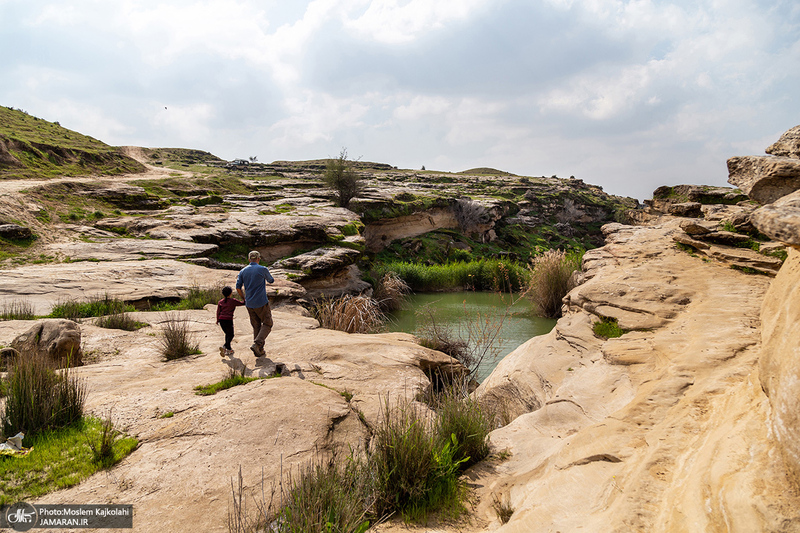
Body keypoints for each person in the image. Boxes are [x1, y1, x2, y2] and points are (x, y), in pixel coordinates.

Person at [236, 250, 275, 357]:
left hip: (249, 303)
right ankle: (257, 344)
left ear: (249, 259)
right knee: (267, 323)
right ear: (258, 259)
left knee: (256, 326)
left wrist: (244, 298)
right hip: (261, 302)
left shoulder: (243, 271)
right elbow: (271, 280)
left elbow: (238, 287)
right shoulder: (262, 269)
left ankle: (260, 350)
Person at [216, 286, 245, 357]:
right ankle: (225, 347)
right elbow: (242, 303)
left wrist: (217, 320)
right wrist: (244, 298)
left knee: (227, 334)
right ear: (231, 293)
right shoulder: (233, 301)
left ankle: (229, 349)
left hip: (221, 320)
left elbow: (218, 312)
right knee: (231, 334)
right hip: (228, 320)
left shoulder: (220, 302)